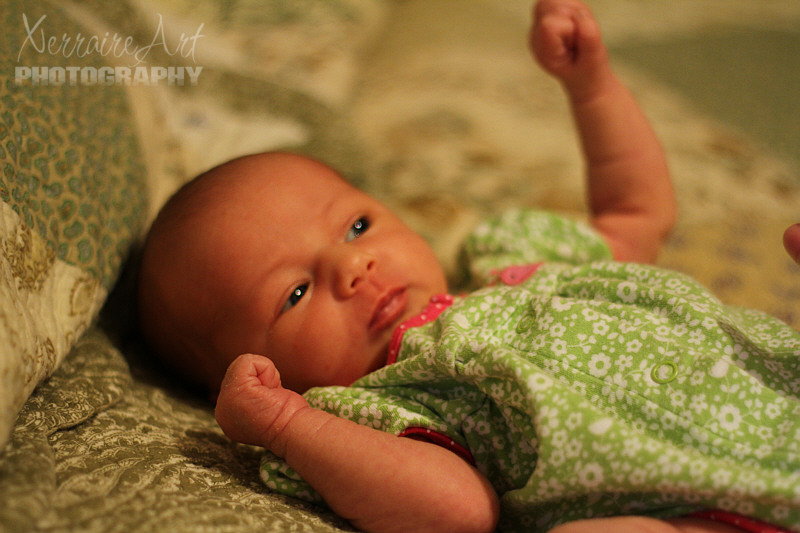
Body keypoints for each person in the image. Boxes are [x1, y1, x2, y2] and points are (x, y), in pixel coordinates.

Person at [137, 1, 800, 532]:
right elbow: (458, 510)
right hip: (713, 511)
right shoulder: (388, 408)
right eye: (297, 291)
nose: (354, 265)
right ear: (267, 371)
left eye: (357, 225)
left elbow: (637, 211)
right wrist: (287, 427)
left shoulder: (513, 260)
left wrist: (589, 85)